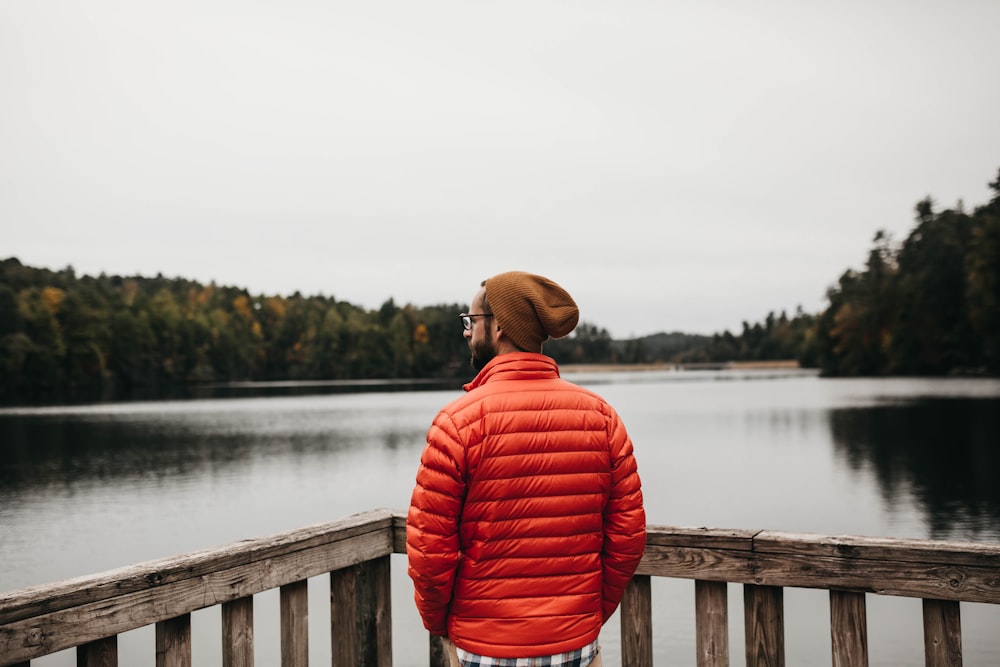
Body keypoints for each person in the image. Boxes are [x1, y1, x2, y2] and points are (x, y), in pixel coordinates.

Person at [406, 271, 646, 667]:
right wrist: (586, 615)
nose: (466, 332)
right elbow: (627, 538)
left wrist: (442, 625)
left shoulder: (457, 423)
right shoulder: (601, 417)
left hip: (484, 648)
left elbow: (430, 553)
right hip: (575, 646)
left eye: (471, 321)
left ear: (499, 327)